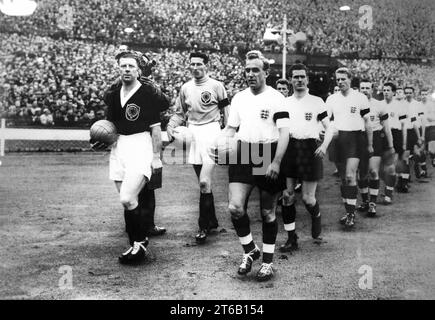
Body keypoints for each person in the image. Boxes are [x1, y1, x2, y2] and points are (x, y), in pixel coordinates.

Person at [216, 50, 290, 281]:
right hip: (243, 151)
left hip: (268, 152)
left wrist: (276, 162)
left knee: (267, 213)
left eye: (255, 70)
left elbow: (284, 132)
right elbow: (230, 129)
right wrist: (220, 144)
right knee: (235, 208)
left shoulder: (277, 97)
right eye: (247, 70)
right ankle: (250, 250)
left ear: (266, 72)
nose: (250, 74)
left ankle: (267, 262)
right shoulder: (239, 98)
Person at [92, 51, 165, 265]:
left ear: (138, 70)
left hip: (140, 144)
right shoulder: (114, 95)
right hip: (119, 147)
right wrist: (100, 141)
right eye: (123, 66)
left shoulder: (147, 93)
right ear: (118, 69)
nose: (126, 69)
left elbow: (156, 128)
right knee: (128, 202)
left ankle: (140, 241)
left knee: (127, 197)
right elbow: (109, 127)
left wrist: (156, 156)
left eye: (131, 66)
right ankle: (136, 245)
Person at [166, 52, 229, 244]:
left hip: (212, 132)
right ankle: (212, 221)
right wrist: (170, 125)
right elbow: (179, 113)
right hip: (192, 133)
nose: (195, 67)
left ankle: (202, 226)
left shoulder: (217, 86)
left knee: (204, 182)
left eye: (199, 64)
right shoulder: (185, 88)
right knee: (204, 184)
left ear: (207, 66)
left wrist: (226, 133)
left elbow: (227, 112)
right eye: (192, 64)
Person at [279, 63, 330, 252]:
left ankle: (316, 216)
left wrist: (324, 145)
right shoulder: (285, 102)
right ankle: (292, 237)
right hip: (291, 148)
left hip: (310, 148)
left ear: (307, 79)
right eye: (295, 77)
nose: (299, 80)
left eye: (302, 76)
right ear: (291, 79)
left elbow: (329, 128)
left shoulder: (317, 101)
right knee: (287, 195)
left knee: (308, 199)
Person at [323, 67, 373, 228]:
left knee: (351, 176)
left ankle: (352, 214)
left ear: (350, 79)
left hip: (355, 138)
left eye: (343, 79)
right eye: (338, 79)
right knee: (344, 177)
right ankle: (348, 210)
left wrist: (370, 143)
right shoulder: (331, 99)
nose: (341, 82)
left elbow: (368, 122)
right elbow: (326, 120)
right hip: (338, 140)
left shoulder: (360, 98)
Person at [357, 80, 394, 216]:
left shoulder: (378, 105)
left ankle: (372, 203)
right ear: (359, 89)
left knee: (373, 171)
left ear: (372, 89)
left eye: (367, 87)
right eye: (362, 88)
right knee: (361, 173)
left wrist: (391, 146)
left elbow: (387, 128)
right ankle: (365, 201)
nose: (365, 90)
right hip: (360, 137)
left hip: (376, 138)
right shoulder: (354, 105)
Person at [379, 82, 407, 204]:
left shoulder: (400, 106)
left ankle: (388, 194)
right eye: (384, 90)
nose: (386, 92)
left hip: (395, 135)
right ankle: (387, 187)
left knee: (391, 167)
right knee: (381, 169)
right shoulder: (379, 105)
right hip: (381, 135)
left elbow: (404, 125)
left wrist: (404, 142)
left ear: (394, 92)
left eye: (388, 90)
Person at [403, 86, 424, 183]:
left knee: (416, 153)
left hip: (416, 130)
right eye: (406, 92)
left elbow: (421, 119)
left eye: (410, 92)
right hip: (406, 131)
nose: (408, 94)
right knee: (406, 154)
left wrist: (421, 135)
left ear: (413, 93)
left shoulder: (418, 104)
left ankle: (417, 166)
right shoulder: (401, 104)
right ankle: (407, 175)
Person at [421, 88, 435, 167]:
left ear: (428, 95)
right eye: (422, 94)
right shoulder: (417, 105)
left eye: (425, 94)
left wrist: (430, 117)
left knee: (431, 150)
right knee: (421, 150)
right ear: (420, 96)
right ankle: (423, 168)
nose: (424, 96)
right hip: (421, 128)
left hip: (431, 127)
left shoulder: (432, 105)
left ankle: (434, 157)